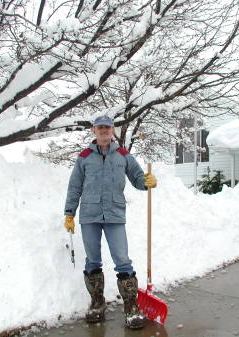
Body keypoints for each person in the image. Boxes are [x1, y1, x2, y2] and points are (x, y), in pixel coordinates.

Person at [63, 115, 157, 329]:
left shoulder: (123, 155)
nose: (104, 131)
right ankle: (97, 304)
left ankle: (131, 307)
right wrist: (69, 213)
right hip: (89, 215)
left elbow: (137, 178)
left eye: (107, 127)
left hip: (115, 214)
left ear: (112, 130)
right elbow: (74, 186)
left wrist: (146, 182)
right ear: (93, 131)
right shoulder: (84, 157)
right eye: (100, 127)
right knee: (92, 260)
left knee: (122, 259)